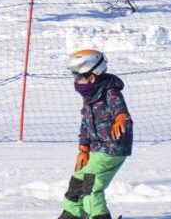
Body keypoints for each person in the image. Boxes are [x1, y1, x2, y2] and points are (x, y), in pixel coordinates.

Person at [58, 49, 132, 219]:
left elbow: (119, 108)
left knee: (90, 185)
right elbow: (85, 125)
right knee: (77, 181)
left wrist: (121, 117)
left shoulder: (110, 92)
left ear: (93, 76)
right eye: (74, 76)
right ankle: (71, 214)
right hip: (97, 149)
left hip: (112, 147)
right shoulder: (90, 97)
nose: (77, 81)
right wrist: (83, 149)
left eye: (79, 76)